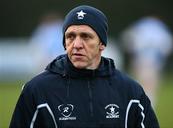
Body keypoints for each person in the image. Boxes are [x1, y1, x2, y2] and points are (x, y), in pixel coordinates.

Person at [10, 5, 159, 128]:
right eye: (70, 37)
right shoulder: (36, 90)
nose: (77, 45)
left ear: (102, 44)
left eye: (86, 36)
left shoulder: (130, 91)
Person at [120, 16, 173, 107]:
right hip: (151, 62)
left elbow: (127, 40)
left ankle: (143, 107)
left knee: (140, 85)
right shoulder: (160, 29)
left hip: (143, 61)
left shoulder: (141, 26)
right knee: (147, 86)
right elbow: (169, 45)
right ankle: (144, 107)